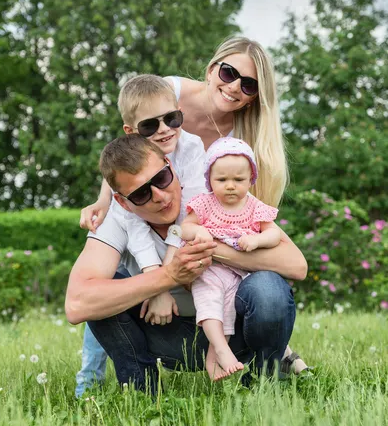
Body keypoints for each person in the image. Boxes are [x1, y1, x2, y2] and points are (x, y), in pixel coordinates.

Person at [80, 36, 308, 375]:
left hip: (194, 220)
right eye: (230, 73)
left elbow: (236, 212)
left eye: (248, 86)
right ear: (212, 68)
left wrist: (209, 245)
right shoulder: (167, 92)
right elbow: (127, 156)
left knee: (233, 277)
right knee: (111, 267)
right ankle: (91, 376)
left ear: (255, 98)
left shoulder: (239, 139)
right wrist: (104, 199)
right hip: (146, 204)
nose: (234, 88)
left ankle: (262, 354)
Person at [66, 135, 307, 393]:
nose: (159, 196)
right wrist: (167, 278)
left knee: (268, 287)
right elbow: (78, 304)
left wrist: (214, 250)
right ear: (124, 202)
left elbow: (297, 266)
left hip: (235, 329)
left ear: (170, 165)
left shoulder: (213, 196)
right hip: (164, 333)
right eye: (141, 193)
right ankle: (142, 392)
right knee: (104, 292)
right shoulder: (116, 219)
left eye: (161, 178)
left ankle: (263, 385)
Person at [74, 74, 206, 394]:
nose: (164, 129)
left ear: (179, 112)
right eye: (150, 125)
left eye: (172, 118)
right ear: (132, 132)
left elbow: (191, 212)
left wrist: (165, 279)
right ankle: (91, 381)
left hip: (187, 264)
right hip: (148, 267)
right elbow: (120, 187)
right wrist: (104, 200)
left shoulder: (190, 148)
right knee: (107, 286)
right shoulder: (125, 189)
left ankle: (269, 358)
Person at [178, 137, 281, 380]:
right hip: (209, 268)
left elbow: (274, 234)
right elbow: (185, 228)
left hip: (239, 272)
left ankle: (214, 359)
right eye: (221, 180)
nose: (230, 186)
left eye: (239, 180)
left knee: (227, 312)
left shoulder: (254, 206)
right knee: (209, 301)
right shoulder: (205, 203)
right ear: (209, 179)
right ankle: (223, 352)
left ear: (251, 179)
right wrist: (199, 231)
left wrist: (256, 240)